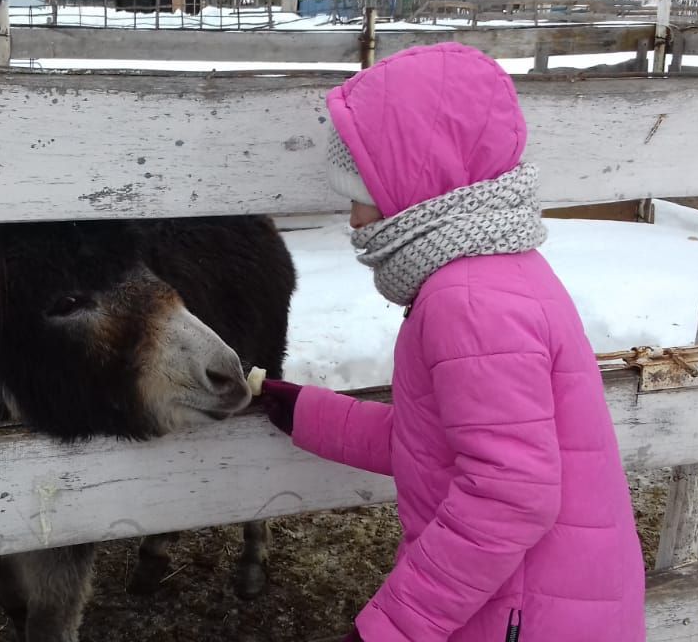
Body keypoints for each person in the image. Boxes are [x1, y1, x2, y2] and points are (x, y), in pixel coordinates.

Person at [256, 42, 646, 642]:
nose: (355, 218)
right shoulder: (497, 269)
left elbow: (508, 494)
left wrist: (393, 628)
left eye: (362, 191)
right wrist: (306, 412)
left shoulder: (466, 300)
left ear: (415, 180)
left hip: (521, 617)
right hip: (545, 602)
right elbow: (440, 441)